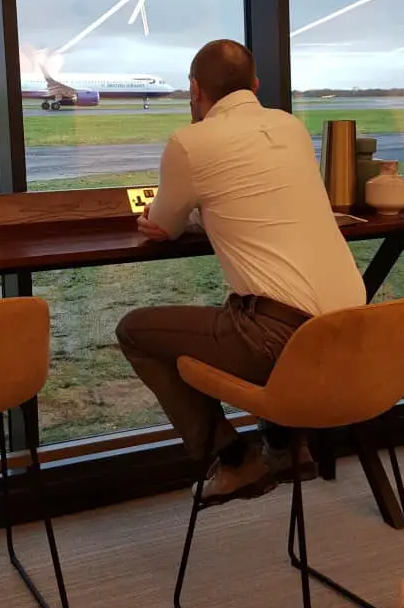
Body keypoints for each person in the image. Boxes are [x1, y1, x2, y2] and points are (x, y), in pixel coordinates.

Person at [116, 39, 365, 506]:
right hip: (355, 333)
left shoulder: (189, 142)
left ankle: (233, 460)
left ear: (194, 88)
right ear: (255, 85)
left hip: (282, 340)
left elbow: (162, 226)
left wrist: (175, 217)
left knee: (134, 330)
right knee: (258, 309)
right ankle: (288, 444)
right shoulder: (290, 128)